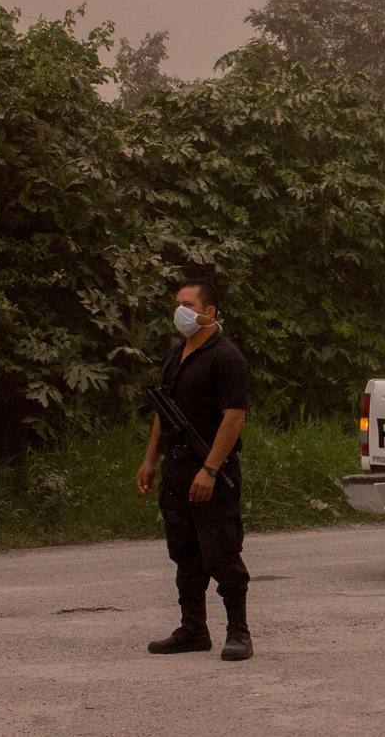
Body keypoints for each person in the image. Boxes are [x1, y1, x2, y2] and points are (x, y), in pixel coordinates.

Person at [134, 278, 253, 661]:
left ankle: (239, 633)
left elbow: (233, 417)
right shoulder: (177, 354)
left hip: (210, 470)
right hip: (177, 467)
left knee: (220, 551)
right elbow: (164, 412)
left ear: (210, 312)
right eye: (177, 303)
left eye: (188, 303)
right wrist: (150, 460)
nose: (180, 311)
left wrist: (212, 469)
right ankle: (193, 629)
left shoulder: (226, 357)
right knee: (184, 552)